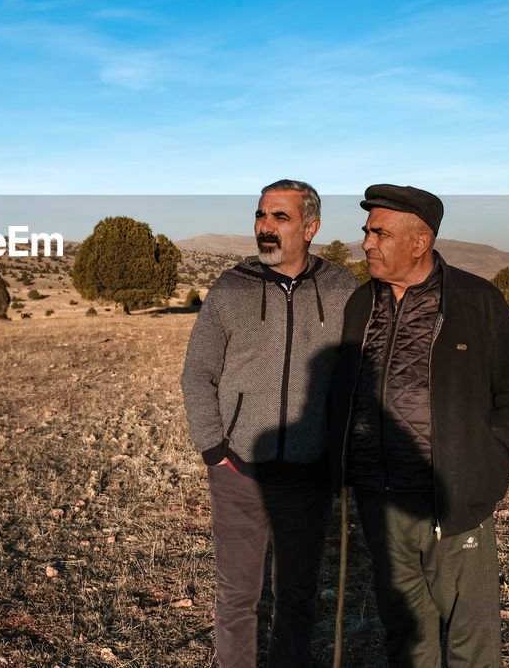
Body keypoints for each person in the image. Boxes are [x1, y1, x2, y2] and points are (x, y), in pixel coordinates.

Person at [329, 184, 509, 667]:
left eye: (379, 233)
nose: (366, 243)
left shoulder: (475, 300)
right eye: (367, 232)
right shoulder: (360, 304)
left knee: (470, 641)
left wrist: (493, 450)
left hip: (451, 499)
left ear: (419, 240)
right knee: (406, 638)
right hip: (378, 497)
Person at [180, 179, 359, 668]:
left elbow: (361, 377)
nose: (265, 228)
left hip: (310, 472)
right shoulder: (230, 287)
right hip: (238, 472)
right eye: (261, 216)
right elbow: (197, 374)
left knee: (298, 597)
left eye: (280, 217)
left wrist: (339, 452)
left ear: (311, 227)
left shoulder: (345, 290)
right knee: (236, 599)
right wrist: (215, 452)